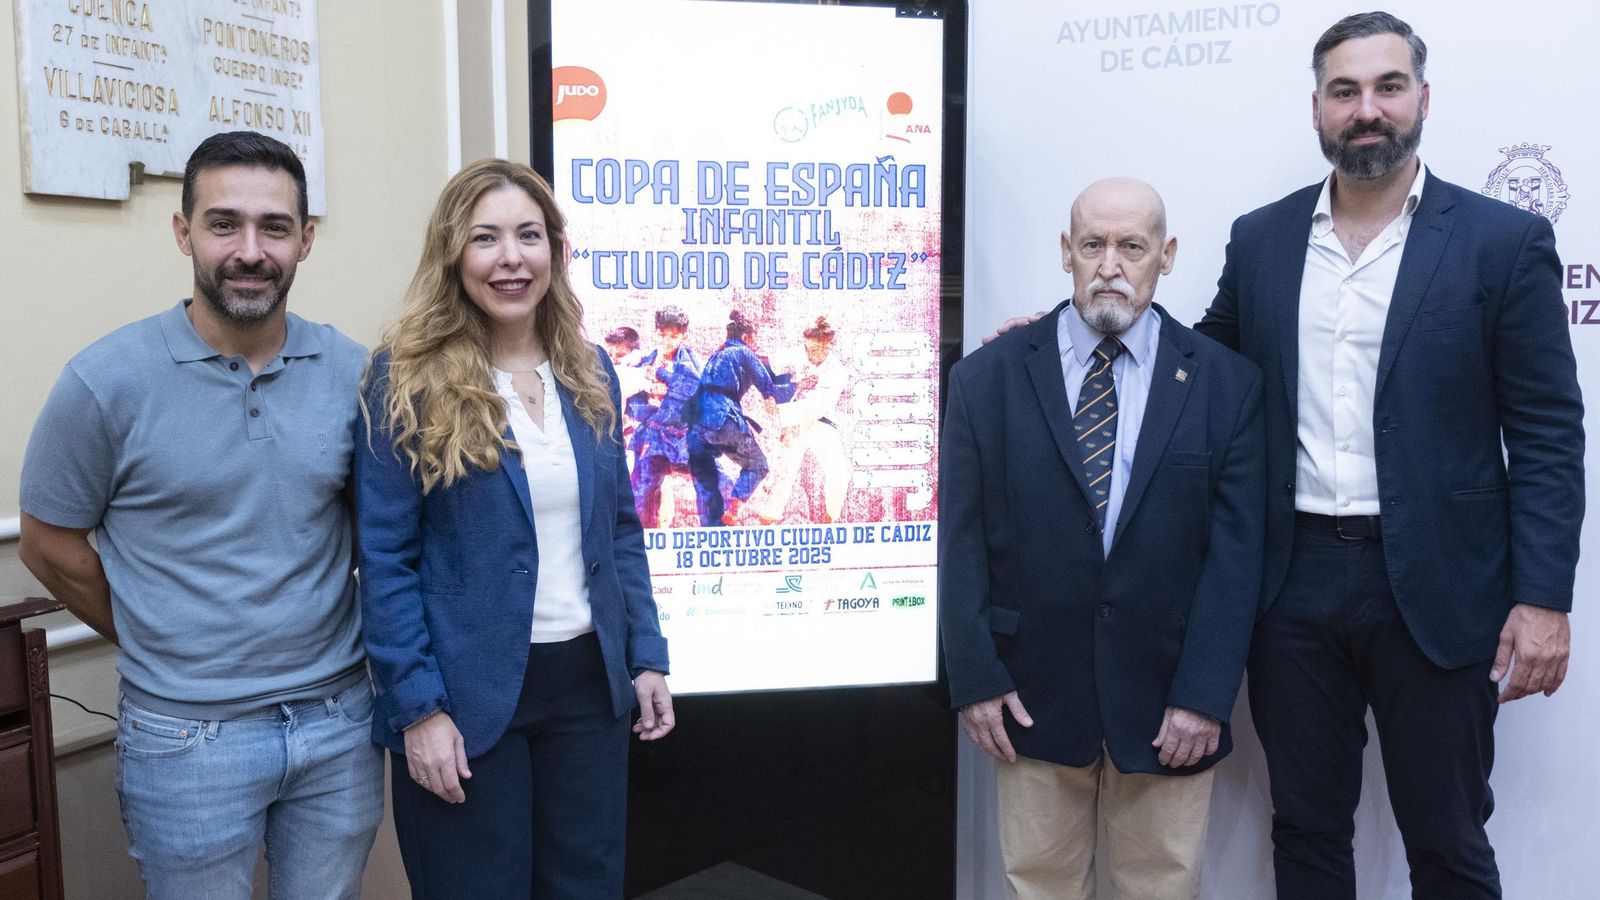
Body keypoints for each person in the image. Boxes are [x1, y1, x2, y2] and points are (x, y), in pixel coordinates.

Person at [1193, 13, 1583, 897]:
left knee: (1447, 838)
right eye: (1345, 91)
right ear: (1317, 109)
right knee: (1306, 831)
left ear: (1423, 98)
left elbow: (1548, 433)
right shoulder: (1261, 239)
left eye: (1388, 87)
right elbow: (1201, 367)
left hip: (1443, 585)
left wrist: (1543, 600)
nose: (1367, 109)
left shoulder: (1501, 242)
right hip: (1290, 587)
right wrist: (1078, 340)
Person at [17, 131, 382, 899]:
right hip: (187, 740)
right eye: (224, 224)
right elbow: (47, 544)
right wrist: (155, 632)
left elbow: (379, 533)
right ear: (184, 232)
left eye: (274, 227)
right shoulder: (104, 382)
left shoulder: (354, 373)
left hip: (338, 725)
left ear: (305, 239)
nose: (250, 250)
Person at [355, 158, 674, 899]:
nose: (511, 259)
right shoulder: (403, 379)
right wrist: (419, 710)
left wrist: (646, 656)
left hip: (588, 690)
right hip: (465, 698)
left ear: (555, 250)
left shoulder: (591, 372)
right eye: (486, 238)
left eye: (529, 236)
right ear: (452, 253)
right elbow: (385, 560)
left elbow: (619, 530)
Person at [940, 177, 1265, 900]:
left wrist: (1205, 695)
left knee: (1161, 890)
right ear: (1066, 251)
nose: (1109, 266)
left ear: (1166, 256)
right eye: (1092, 245)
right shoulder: (986, 378)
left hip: (1169, 703)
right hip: (1031, 694)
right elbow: (959, 541)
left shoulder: (1226, 384)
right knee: (1040, 888)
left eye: (1132, 247)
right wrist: (977, 677)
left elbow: (1237, 559)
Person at [685, 309, 797, 525]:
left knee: (713, 468)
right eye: (754, 340)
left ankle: (722, 505)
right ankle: (733, 510)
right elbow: (767, 385)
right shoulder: (744, 353)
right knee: (758, 465)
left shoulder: (716, 356)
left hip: (699, 425)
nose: (755, 344)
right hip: (723, 419)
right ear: (746, 337)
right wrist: (792, 388)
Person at [757, 316, 852, 524]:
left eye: (820, 348)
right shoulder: (795, 354)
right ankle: (767, 517)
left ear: (829, 345)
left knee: (838, 473)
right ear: (805, 341)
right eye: (811, 347)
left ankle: (831, 519)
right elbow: (765, 365)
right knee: (785, 471)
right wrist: (769, 395)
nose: (814, 353)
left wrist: (780, 412)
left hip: (822, 422)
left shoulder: (837, 371)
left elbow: (817, 407)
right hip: (793, 420)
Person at [630, 306, 702, 528]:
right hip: (653, 437)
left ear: (683, 335)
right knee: (643, 490)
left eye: (674, 336)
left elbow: (693, 390)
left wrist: (666, 384)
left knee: (713, 482)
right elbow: (634, 401)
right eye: (663, 335)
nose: (668, 341)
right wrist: (649, 395)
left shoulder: (689, 362)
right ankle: (647, 535)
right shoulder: (647, 361)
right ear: (656, 333)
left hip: (683, 437)